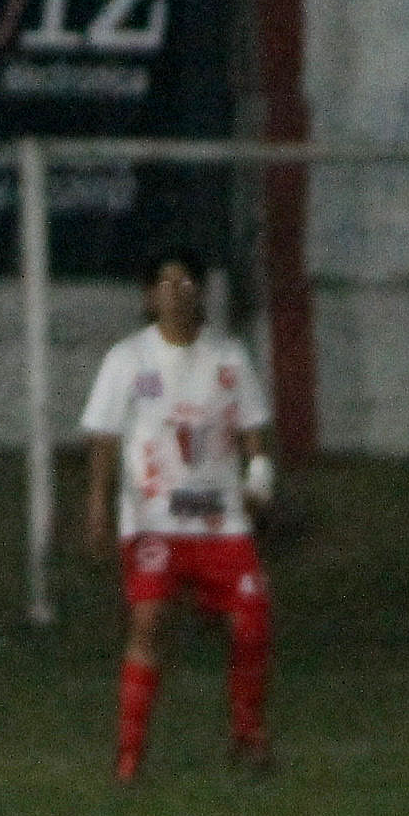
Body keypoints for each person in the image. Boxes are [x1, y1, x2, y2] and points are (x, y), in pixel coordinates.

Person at [81, 249, 275, 783]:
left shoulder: (229, 357)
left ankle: (248, 738)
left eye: (187, 280)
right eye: (166, 282)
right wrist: (98, 503)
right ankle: (128, 756)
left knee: (253, 623)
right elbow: (103, 435)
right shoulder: (129, 360)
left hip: (221, 521)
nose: (178, 290)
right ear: (150, 297)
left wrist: (259, 472)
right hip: (154, 521)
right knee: (148, 623)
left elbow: (253, 424)